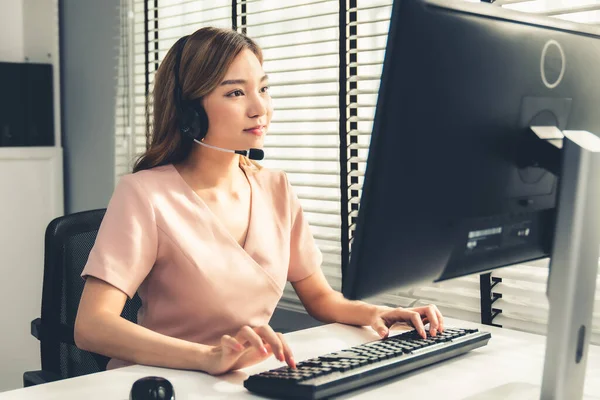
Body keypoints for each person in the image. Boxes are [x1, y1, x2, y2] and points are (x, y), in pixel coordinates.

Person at [74, 26, 444, 376]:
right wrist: (208, 358)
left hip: (244, 379)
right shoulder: (145, 194)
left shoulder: (276, 187)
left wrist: (379, 313)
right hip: (163, 382)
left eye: (263, 89)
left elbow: (319, 296)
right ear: (190, 111)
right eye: (235, 92)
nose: (259, 108)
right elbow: (92, 327)